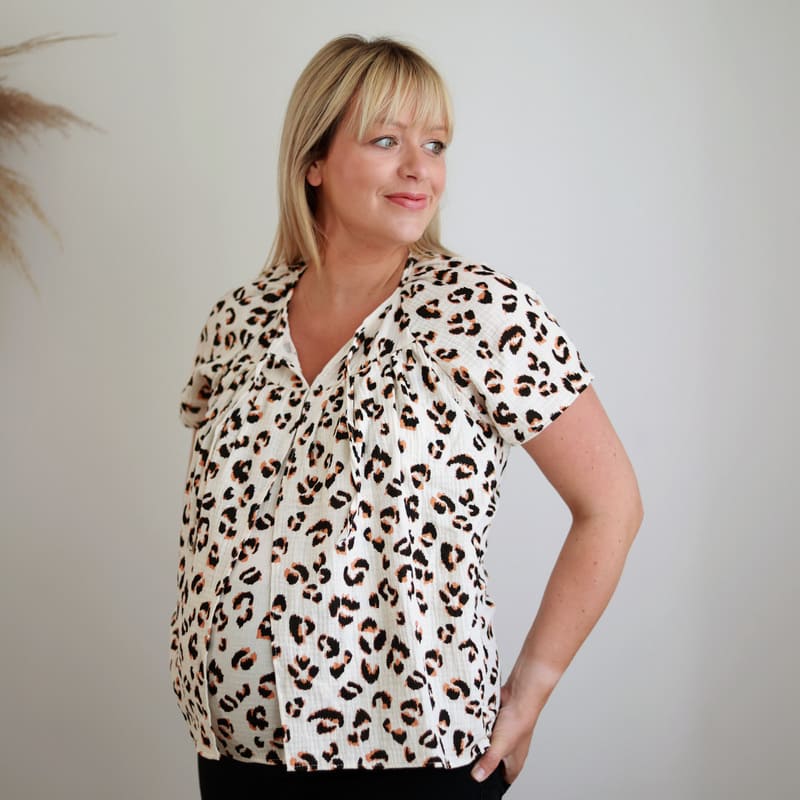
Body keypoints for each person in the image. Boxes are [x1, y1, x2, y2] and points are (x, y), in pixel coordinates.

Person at [169, 34, 643, 800]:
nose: (420, 168)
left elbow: (612, 504)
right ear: (313, 161)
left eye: (436, 144)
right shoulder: (237, 321)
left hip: (411, 753)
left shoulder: (480, 312)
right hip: (235, 750)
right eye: (386, 141)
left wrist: (530, 690)